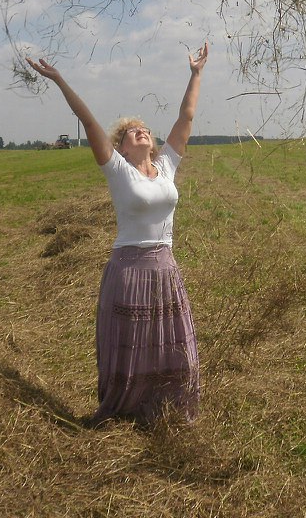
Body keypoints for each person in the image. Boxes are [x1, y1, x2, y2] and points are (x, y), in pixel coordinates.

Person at [26, 43, 208, 426]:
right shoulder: (119, 171)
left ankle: (167, 409)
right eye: (130, 132)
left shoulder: (166, 166)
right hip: (129, 270)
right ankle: (126, 410)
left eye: (144, 129)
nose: (139, 131)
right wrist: (60, 81)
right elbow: (89, 122)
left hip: (165, 269)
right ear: (121, 148)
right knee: (132, 347)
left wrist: (195, 74)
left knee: (173, 345)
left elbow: (186, 117)